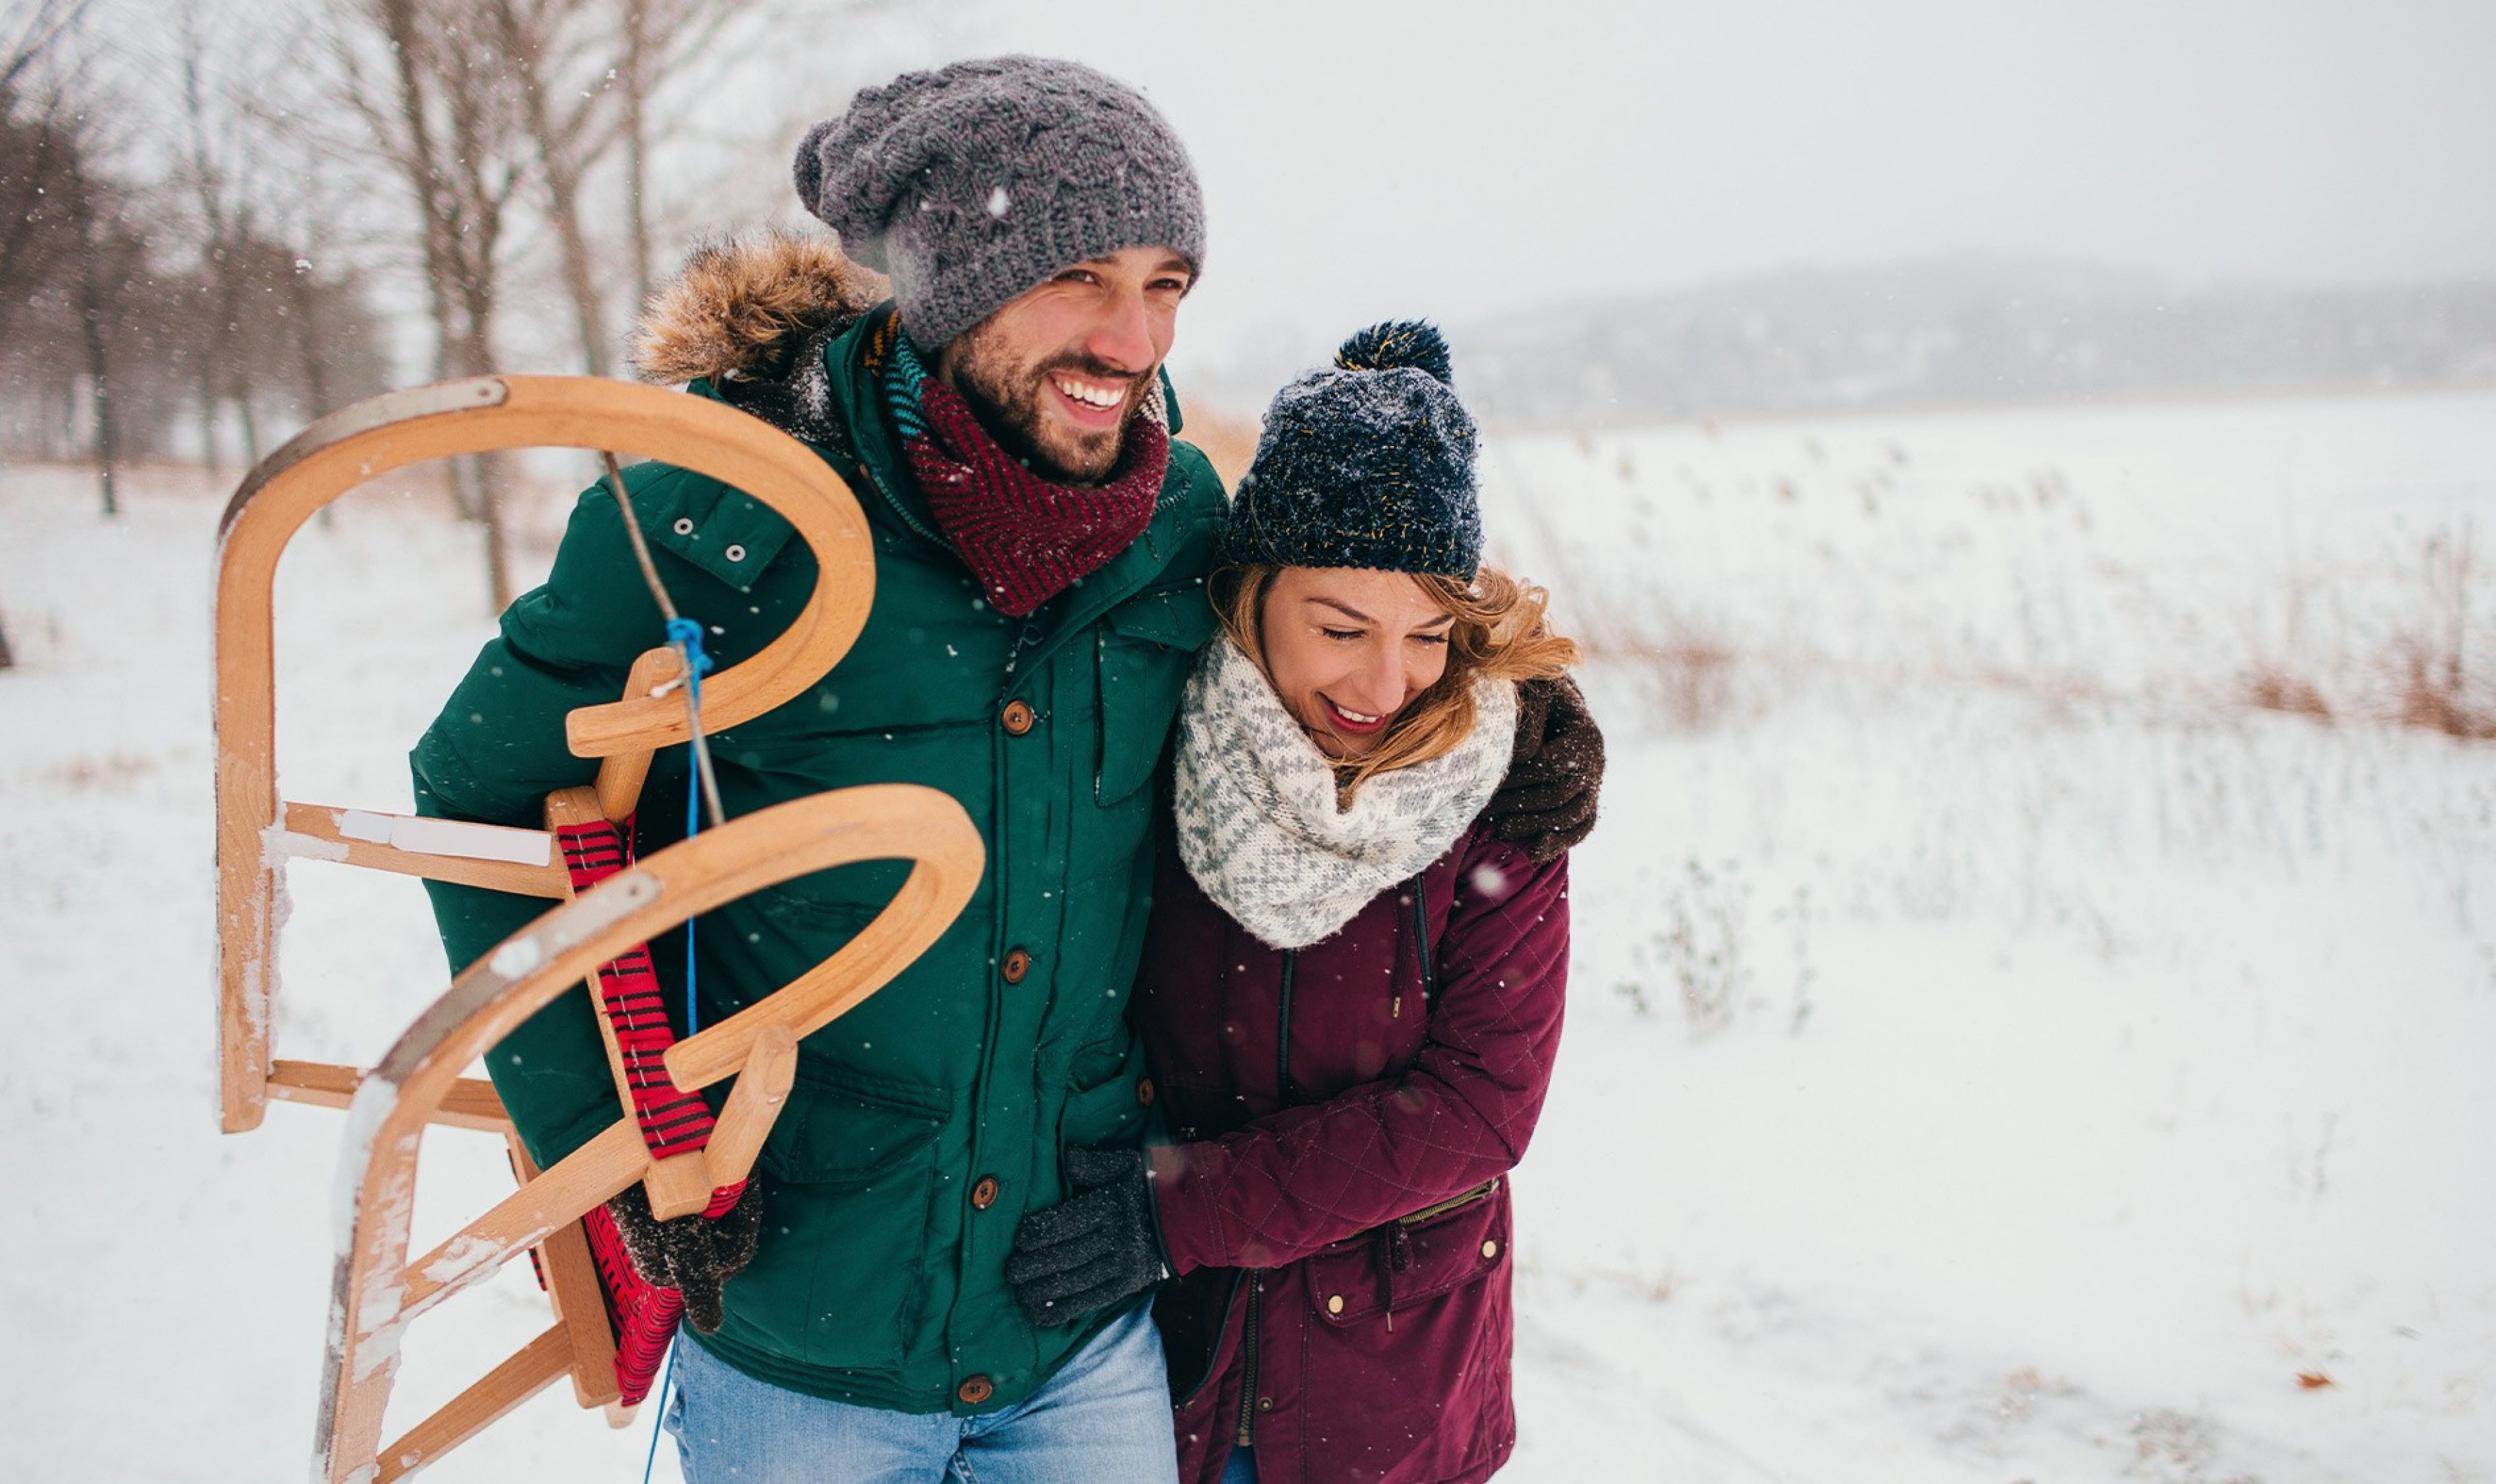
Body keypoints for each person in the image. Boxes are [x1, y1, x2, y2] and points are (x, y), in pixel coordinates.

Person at [412, 56, 1226, 1482]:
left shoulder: (1180, 527)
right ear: (950, 285)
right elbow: (486, 797)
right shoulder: (722, 519)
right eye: (1083, 277)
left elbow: (1354, 685)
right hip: (806, 1310)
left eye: (1167, 282)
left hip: (1076, 1311)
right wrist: (608, 1148)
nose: (1134, 336)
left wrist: (1514, 740)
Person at [1004, 322, 1606, 1484]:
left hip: (1386, 1383)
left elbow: (1480, 1109)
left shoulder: (1502, 796)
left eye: (1428, 635)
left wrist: (1176, 1211)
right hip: (1164, 1366)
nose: (1387, 684)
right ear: (1253, 593)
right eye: (1340, 629)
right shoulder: (1150, 748)